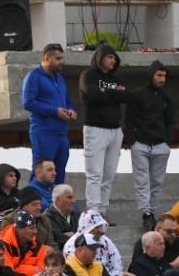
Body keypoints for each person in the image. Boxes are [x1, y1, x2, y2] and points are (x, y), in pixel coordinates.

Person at [126, 61, 174, 231]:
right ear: (151, 75)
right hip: (141, 144)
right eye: (159, 75)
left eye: (164, 76)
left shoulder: (166, 97)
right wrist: (132, 140)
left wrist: (168, 141)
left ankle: (152, 212)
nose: (162, 79)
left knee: (157, 182)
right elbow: (129, 118)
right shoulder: (138, 95)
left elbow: (170, 121)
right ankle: (146, 213)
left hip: (160, 144)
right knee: (142, 181)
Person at [79, 43, 127, 215]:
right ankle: (93, 213)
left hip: (115, 130)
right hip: (95, 129)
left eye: (115, 58)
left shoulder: (117, 79)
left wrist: (106, 92)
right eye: (110, 57)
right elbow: (92, 93)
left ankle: (103, 212)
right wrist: (114, 94)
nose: (113, 61)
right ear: (101, 57)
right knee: (94, 175)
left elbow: (125, 96)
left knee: (108, 176)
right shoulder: (88, 75)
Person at [21, 44, 76, 186]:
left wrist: (71, 110)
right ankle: (32, 205)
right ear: (47, 58)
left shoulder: (60, 78)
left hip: (61, 134)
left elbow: (67, 101)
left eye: (62, 58)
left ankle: (54, 207)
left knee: (58, 174)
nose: (62, 62)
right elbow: (28, 103)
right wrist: (55, 111)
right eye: (58, 58)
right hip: (43, 133)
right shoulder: (34, 76)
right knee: (41, 174)